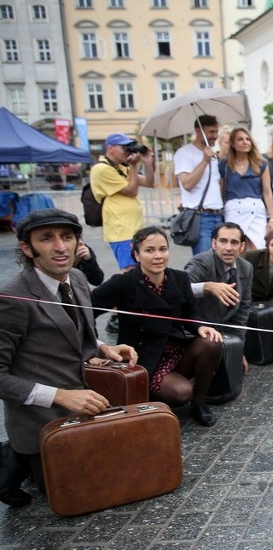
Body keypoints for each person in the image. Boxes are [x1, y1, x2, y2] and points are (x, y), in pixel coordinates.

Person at [0, 209, 137, 507]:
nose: (60, 247)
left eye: (67, 237)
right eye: (46, 239)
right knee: (83, 493)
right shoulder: (12, 299)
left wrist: (102, 347)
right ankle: (14, 458)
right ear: (27, 247)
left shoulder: (75, 277)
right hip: (43, 422)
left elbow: (75, 330)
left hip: (87, 407)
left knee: (126, 471)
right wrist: (61, 396)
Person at [91, 227, 223, 427]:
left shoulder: (180, 279)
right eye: (150, 250)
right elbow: (86, 312)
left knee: (211, 342)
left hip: (177, 350)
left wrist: (199, 327)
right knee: (182, 392)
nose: (158, 256)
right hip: (146, 358)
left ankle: (200, 403)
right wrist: (97, 347)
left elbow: (190, 314)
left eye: (163, 249)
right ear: (136, 254)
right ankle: (154, 397)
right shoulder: (123, 283)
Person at [184, 222, 253, 374]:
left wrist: (237, 349)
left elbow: (242, 312)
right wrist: (207, 287)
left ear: (242, 246)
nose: (228, 247)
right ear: (213, 243)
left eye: (234, 242)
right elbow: (180, 291)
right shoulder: (201, 262)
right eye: (223, 241)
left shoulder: (246, 267)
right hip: (197, 333)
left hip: (224, 333)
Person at [90, 133, 155, 272]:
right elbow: (132, 190)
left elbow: (149, 182)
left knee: (142, 270)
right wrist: (134, 166)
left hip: (134, 228)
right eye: (124, 147)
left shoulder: (120, 168)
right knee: (131, 271)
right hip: (121, 230)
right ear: (110, 148)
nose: (128, 151)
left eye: (129, 147)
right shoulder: (101, 169)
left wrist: (148, 162)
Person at [173, 115, 224, 256]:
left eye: (216, 131)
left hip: (218, 215)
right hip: (201, 218)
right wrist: (204, 161)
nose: (215, 136)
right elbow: (187, 184)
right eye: (211, 132)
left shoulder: (213, 155)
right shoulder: (184, 153)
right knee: (204, 264)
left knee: (221, 262)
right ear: (198, 130)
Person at [221, 127, 273, 250]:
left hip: (256, 210)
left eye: (248, 139)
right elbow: (220, 191)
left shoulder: (261, 163)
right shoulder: (224, 165)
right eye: (240, 139)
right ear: (233, 144)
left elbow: (267, 193)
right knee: (235, 250)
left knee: (260, 250)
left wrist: (272, 218)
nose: (245, 142)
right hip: (234, 211)